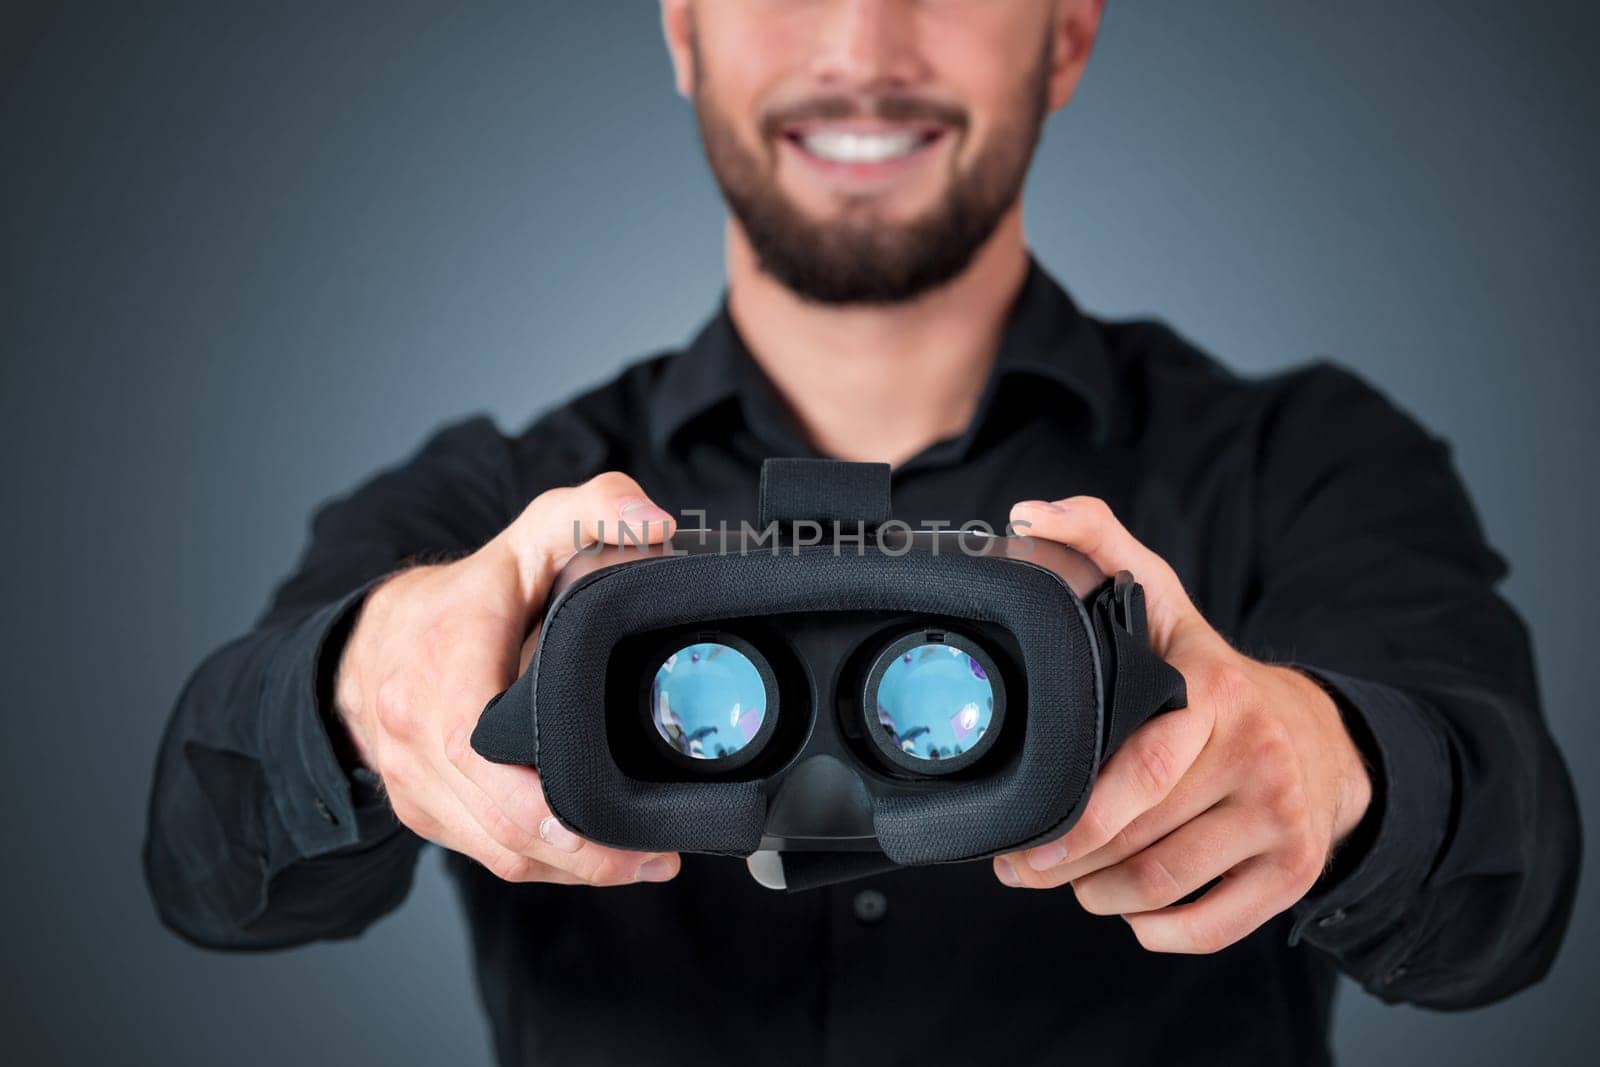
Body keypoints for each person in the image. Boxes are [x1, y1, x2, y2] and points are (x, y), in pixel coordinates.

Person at [143, 2, 1581, 1064]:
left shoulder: (1299, 459)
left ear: (1066, 36)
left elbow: (1512, 893)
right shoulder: (498, 504)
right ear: (684, 33)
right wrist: (369, 687)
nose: (860, 39)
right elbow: (205, 858)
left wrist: (1330, 777)